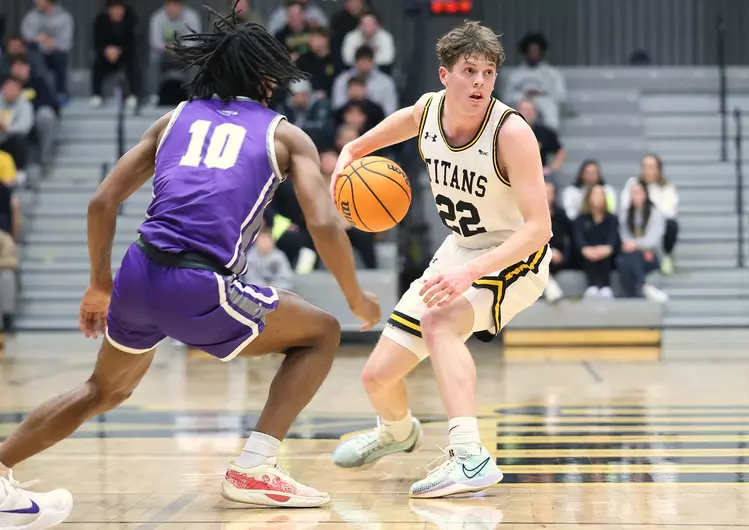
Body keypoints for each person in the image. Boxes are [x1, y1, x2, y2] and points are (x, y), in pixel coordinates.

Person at [0, 7, 382, 528]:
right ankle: (255, 467)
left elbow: (101, 203)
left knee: (102, 390)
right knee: (323, 333)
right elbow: (324, 223)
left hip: (139, 270)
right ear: (266, 77)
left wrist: (98, 286)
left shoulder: (173, 118)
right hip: (200, 281)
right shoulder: (286, 136)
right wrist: (357, 297)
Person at [328, 20, 551, 498]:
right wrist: (352, 149)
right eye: (469, 70)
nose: (479, 82)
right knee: (377, 375)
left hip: (514, 253)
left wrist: (471, 271)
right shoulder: (429, 110)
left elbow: (540, 229)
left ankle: (469, 457)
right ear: (445, 75)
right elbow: (401, 123)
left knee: (440, 324)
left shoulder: (511, 133)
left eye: (488, 72)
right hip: (460, 248)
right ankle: (397, 432)